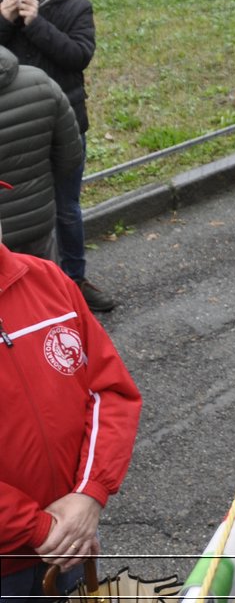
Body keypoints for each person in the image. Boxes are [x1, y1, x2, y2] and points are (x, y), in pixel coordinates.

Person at [0, 219, 142, 599]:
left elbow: (110, 391)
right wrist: (40, 529)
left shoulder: (47, 280)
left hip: (70, 541)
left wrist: (88, 494)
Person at [0, 0, 109, 312]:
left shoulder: (73, 5)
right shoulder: (2, 3)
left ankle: (74, 282)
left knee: (66, 208)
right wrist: (4, 20)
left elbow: (78, 57)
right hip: (15, 131)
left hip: (63, 126)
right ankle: (24, 290)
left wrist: (35, 23)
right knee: (17, 212)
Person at [0, 46, 83, 266]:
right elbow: (71, 155)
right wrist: (39, 185)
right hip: (38, 223)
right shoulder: (41, 83)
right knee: (45, 294)